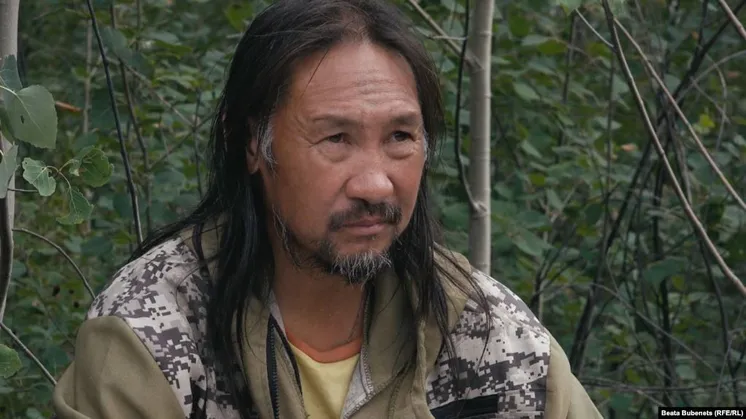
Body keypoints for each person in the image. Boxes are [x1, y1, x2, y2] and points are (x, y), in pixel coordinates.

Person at [52, 0, 603, 418]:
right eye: (336, 138)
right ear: (253, 144)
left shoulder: (486, 333)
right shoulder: (153, 335)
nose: (375, 184)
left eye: (400, 137)